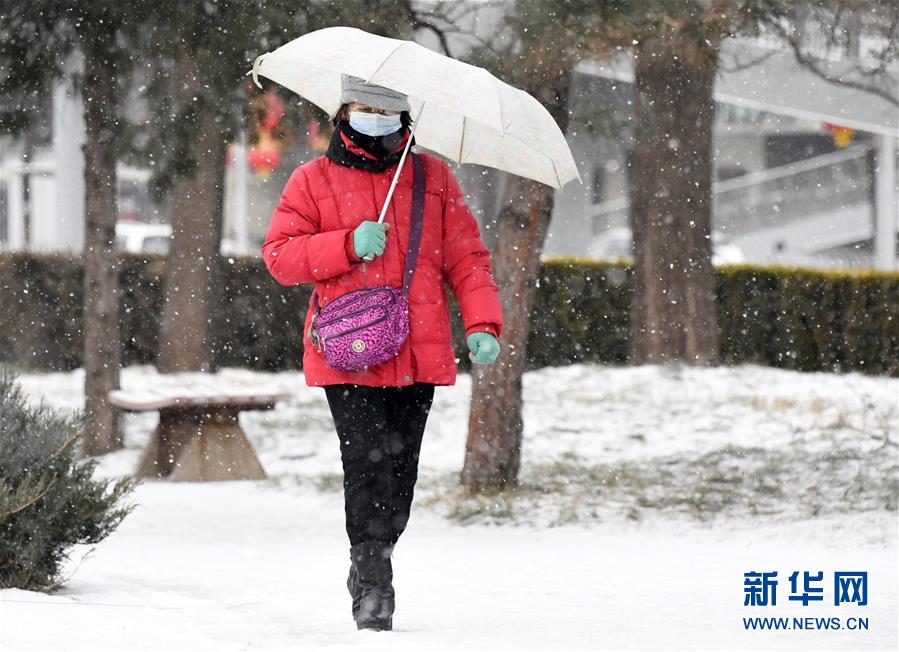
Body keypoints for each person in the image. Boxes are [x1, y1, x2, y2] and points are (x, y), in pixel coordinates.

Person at [261, 75, 503, 631]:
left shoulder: (433, 180)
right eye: (364, 107)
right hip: (349, 354)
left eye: (385, 109)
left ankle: (374, 556)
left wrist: (483, 321)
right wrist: (347, 244)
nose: (374, 117)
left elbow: (467, 258)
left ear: (404, 117)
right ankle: (373, 581)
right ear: (346, 111)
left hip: (418, 352)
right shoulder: (311, 179)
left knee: (400, 476)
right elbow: (279, 255)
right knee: (365, 464)